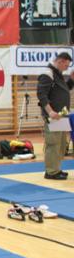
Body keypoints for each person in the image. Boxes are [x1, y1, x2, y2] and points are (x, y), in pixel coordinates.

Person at [37, 52, 73, 180]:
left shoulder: (58, 74)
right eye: (66, 65)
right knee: (53, 144)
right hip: (54, 116)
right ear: (60, 61)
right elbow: (41, 95)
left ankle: (56, 169)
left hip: (61, 115)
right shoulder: (48, 74)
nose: (67, 68)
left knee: (61, 144)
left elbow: (63, 90)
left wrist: (71, 80)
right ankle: (51, 172)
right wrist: (50, 111)